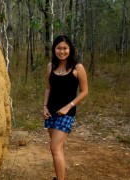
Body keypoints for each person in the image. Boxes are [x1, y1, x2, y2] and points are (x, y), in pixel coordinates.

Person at [43, 35, 88, 180]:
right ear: (54, 49)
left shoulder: (77, 67)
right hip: (51, 112)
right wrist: (44, 106)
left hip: (66, 114)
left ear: (70, 49)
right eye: (59, 48)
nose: (62, 51)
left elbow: (85, 91)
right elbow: (48, 88)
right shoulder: (51, 66)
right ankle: (58, 176)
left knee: (54, 147)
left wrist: (68, 107)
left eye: (65, 48)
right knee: (57, 148)